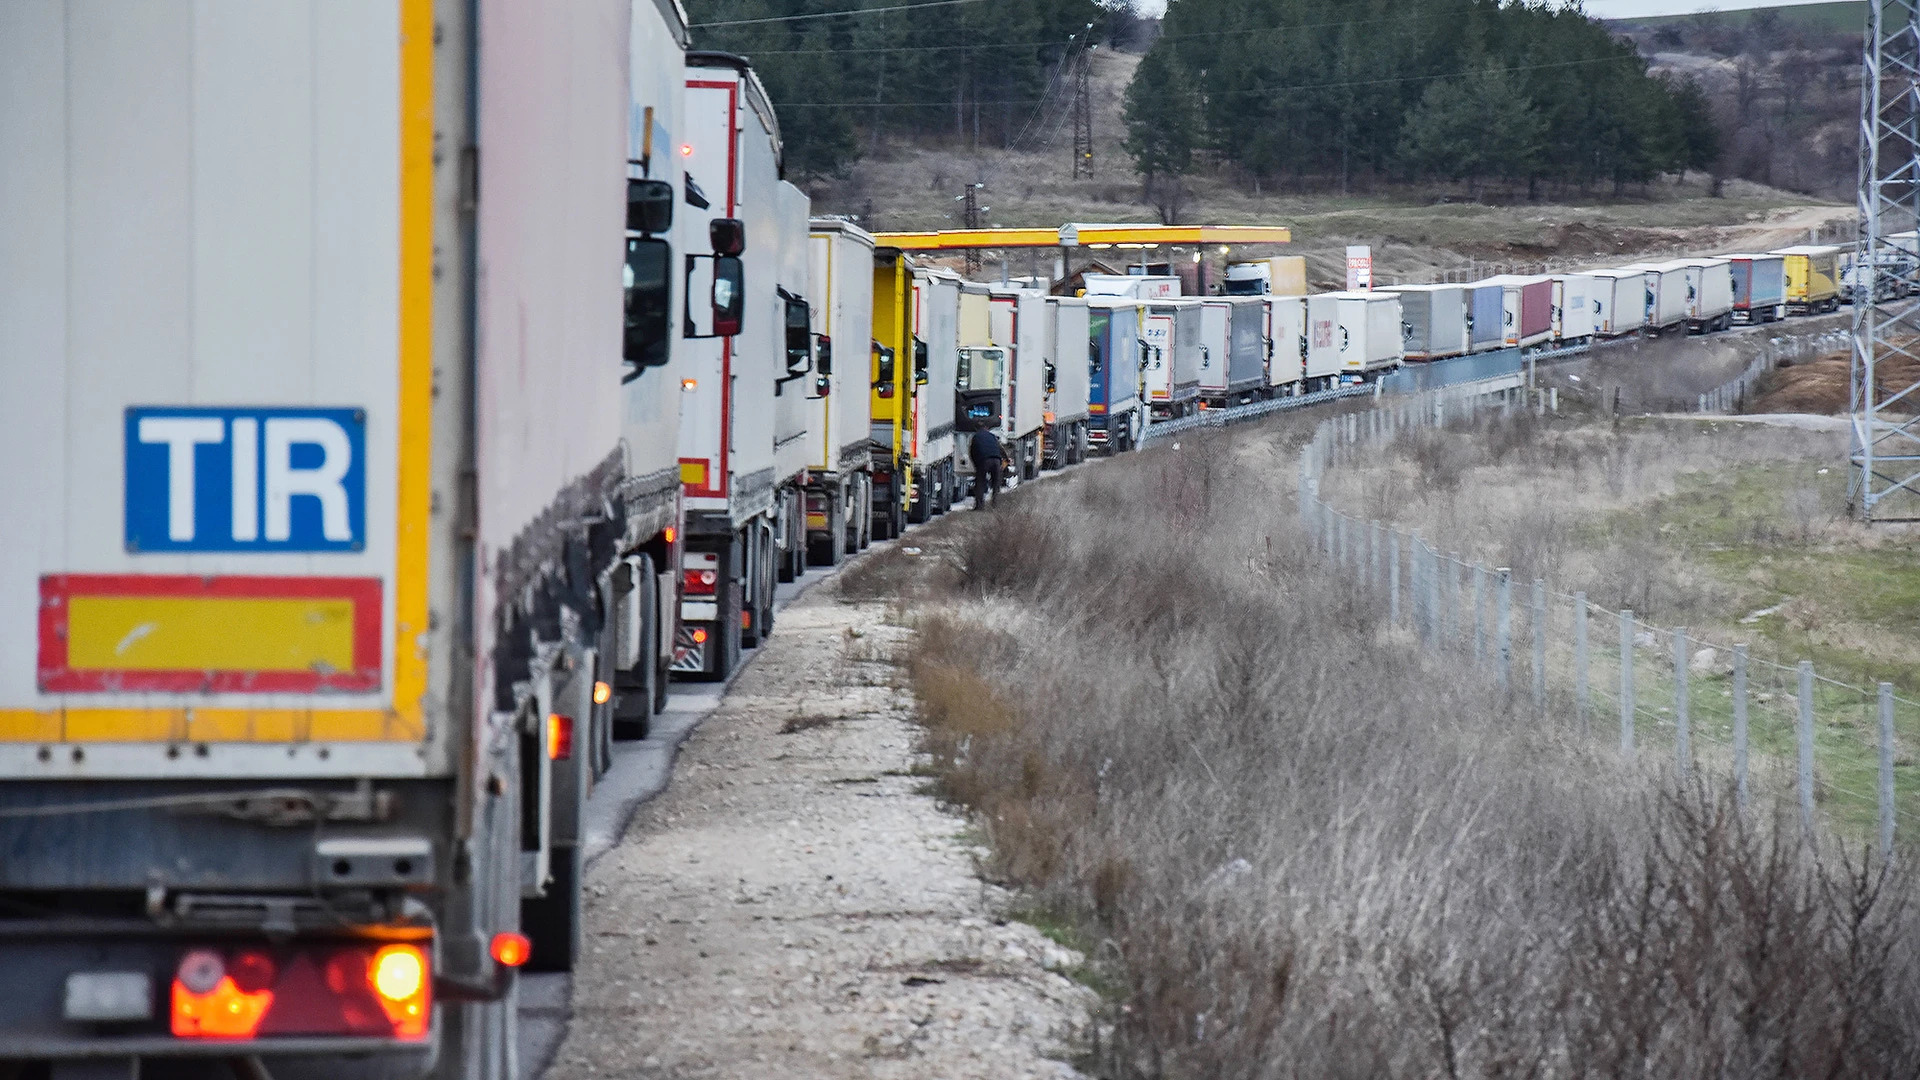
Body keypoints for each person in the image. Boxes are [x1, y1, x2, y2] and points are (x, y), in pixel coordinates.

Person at [968, 427, 1006, 510]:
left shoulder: (975, 437)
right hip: (996, 460)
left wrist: (976, 466)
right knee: (996, 483)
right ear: (987, 429)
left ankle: (980, 506)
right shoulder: (992, 436)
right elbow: (1000, 448)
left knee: (980, 482)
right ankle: (995, 504)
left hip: (984, 461)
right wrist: (1006, 458)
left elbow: (972, 452)